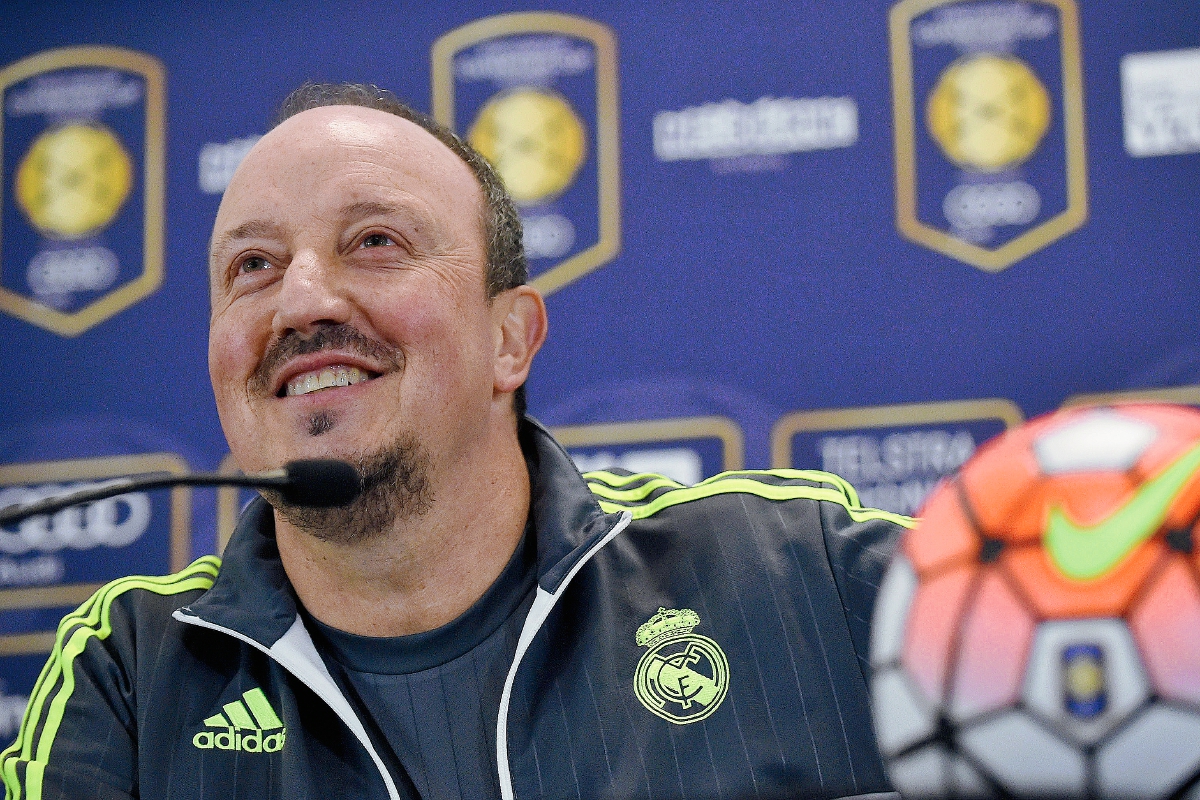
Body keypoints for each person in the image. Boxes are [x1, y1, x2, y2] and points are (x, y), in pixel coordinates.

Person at [2, 83, 912, 800]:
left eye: (374, 241)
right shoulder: (129, 674)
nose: (302, 300)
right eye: (253, 266)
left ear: (510, 339)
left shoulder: (793, 572)